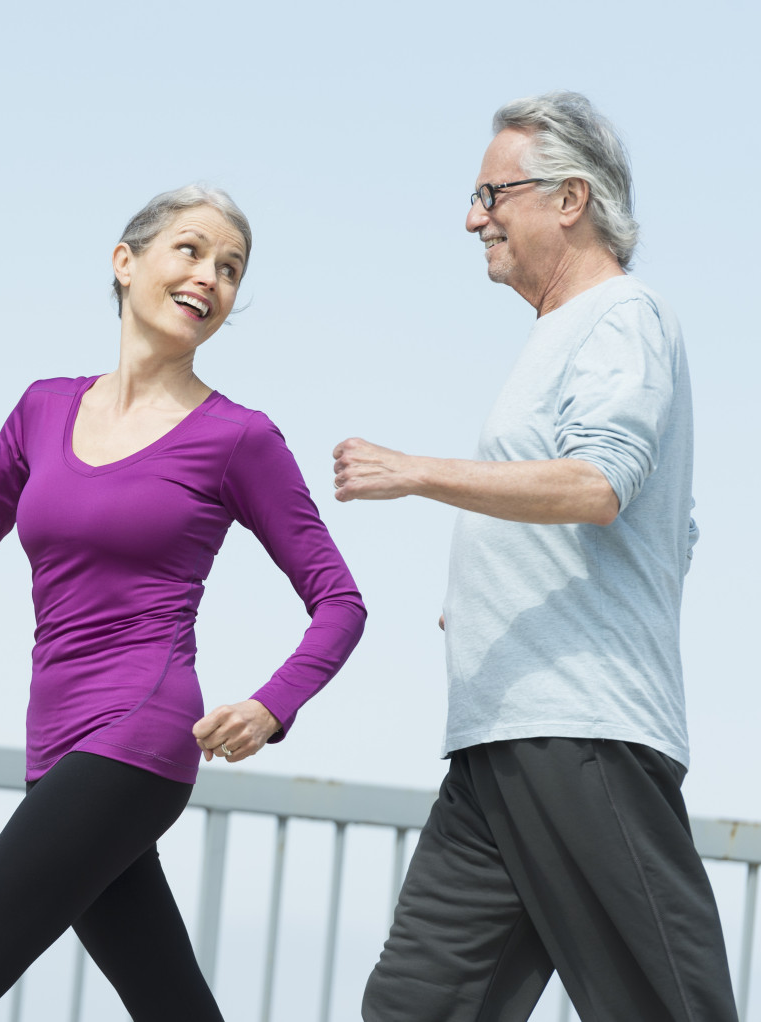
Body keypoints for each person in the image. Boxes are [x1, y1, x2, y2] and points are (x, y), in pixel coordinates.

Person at [0, 184, 366, 1020]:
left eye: (231, 267)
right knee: (171, 1004)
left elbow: (340, 599)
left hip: (137, 736)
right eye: (191, 249)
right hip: (54, 747)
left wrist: (271, 706)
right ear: (125, 261)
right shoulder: (44, 408)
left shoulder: (238, 438)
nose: (210, 277)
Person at [339, 92, 738, 1021]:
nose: (472, 218)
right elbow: (669, 532)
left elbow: (601, 485)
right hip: (494, 742)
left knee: (664, 1005)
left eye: (492, 193)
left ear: (570, 198)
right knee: (413, 1009)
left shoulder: (623, 315)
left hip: (581, 730)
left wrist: (417, 473)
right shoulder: (556, 336)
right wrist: (490, 583)